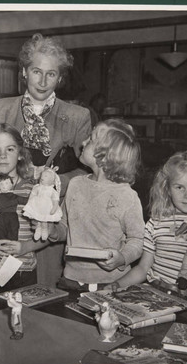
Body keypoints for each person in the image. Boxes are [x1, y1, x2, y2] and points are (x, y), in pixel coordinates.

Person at [0, 33, 92, 286]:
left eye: (51, 74)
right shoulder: (0, 109)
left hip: (50, 220)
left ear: (60, 77)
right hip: (5, 216)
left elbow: (90, 173)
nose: (43, 81)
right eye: (36, 71)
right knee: (3, 292)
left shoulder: (77, 116)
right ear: (23, 72)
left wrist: (56, 180)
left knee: (46, 293)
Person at [113, 150, 187, 327]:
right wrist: (116, 284)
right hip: (154, 303)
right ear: (167, 189)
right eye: (179, 187)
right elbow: (143, 268)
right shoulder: (156, 222)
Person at [48, 118, 145, 290]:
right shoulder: (75, 184)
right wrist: (52, 231)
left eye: (91, 139)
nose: (83, 142)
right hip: (70, 279)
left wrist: (122, 258)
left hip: (110, 284)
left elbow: (137, 240)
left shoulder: (127, 196)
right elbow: (65, 226)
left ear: (106, 154)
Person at [0, 123, 49, 291]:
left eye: (10, 149)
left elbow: (48, 233)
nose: (3, 156)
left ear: (20, 154)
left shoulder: (34, 192)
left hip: (25, 272)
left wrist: (25, 247)